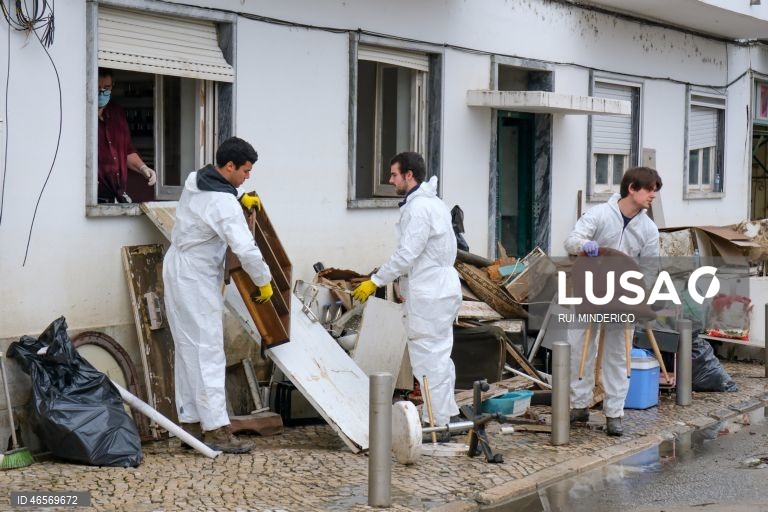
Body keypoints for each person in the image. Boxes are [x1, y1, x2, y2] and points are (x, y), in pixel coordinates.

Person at [163, 137, 272, 454]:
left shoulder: (198, 181)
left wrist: (240, 199)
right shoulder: (223, 204)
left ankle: (191, 426)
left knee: (187, 348)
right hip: (195, 277)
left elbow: (214, 205)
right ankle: (217, 431)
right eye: (245, 171)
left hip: (178, 268)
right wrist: (262, 280)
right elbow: (246, 249)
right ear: (229, 166)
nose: (247, 177)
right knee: (207, 349)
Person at [353, 152, 462, 442]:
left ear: (409, 175)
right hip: (440, 289)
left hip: (430, 292)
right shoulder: (432, 203)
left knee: (428, 358)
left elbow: (406, 255)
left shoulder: (419, 209)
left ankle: (435, 424)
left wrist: (375, 280)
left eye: (394, 175)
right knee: (440, 354)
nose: (390, 181)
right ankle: (447, 413)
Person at [563, 166, 662, 436]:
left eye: (656, 190)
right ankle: (579, 404)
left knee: (618, 353)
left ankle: (614, 413)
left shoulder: (648, 228)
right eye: (649, 189)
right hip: (589, 288)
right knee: (578, 347)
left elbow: (650, 267)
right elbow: (571, 240)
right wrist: (584, 246)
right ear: (632, 188)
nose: (653, 195)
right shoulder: (599, 214)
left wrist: (639, 292)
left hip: (622, 295)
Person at [97, 68, 156, 203]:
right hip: (91, 197)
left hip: (117, 195)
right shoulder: (81, 114)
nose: (102, 92)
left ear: (113, 86)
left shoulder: (117, 113)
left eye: (106, 88)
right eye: (98, 87)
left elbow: (127, 151)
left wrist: (143, 168)